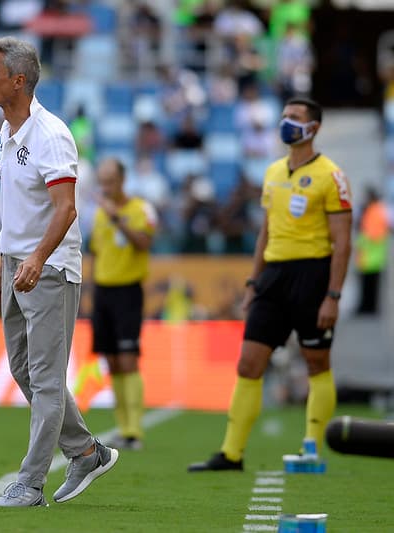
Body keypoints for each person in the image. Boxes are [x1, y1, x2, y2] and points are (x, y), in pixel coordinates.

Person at [0, 36, 118, 507]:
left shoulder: (51, 135)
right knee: (25, 371)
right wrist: (6, 256)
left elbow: (65, 210)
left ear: (18, 81)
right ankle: (84, 451)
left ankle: (30, 483)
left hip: (50, 268)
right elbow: (20, 206)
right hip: (16, 263)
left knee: (45, 377)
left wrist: (35, 259)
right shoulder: (7, 132)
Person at [188, 97, 353, 472]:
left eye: (295, 118)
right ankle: (231, 453)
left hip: (313, 276)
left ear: (314, 128)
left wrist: (333, 295)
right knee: (248, 363)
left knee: (316, 363)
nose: (286, 123)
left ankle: (311, 447)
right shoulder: (273, 172)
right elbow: (265, 231)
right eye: (284, 117)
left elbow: (343, 241)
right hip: (273, 278)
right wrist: (253, 281)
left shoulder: (332, 176)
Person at [90, 158, 157, 450]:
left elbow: (144, 243)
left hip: (128, 291)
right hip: (103, 292)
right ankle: (122, 427)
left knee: (129, 359)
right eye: (102, 182)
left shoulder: (140, 209)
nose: (106, 187)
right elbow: (97, 253)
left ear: (122, 180)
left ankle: (134, 431)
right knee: (113, 362)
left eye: (110, 181)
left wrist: (117, 218)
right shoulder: (99, 215)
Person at [354, 187, 390, 315]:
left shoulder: (374, 211)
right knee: (368, 285)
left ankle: (367, 308)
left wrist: (362, 242)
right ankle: (367, 307)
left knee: (369, 285)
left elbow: (373, 233)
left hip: (371, 255)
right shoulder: (375, 210)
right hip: (370, 255)